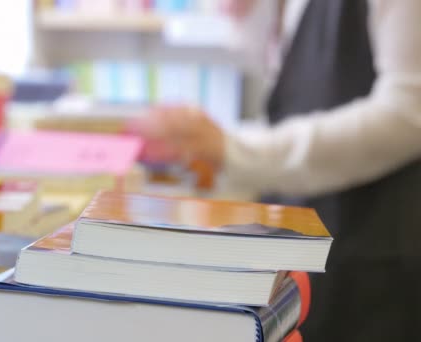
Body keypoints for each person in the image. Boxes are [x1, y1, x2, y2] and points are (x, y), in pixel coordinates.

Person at [133, 0, 421, 341]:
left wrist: (235, 151)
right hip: (305, 250)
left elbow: (408, 115)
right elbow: (297, 84)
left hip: (372, 257)